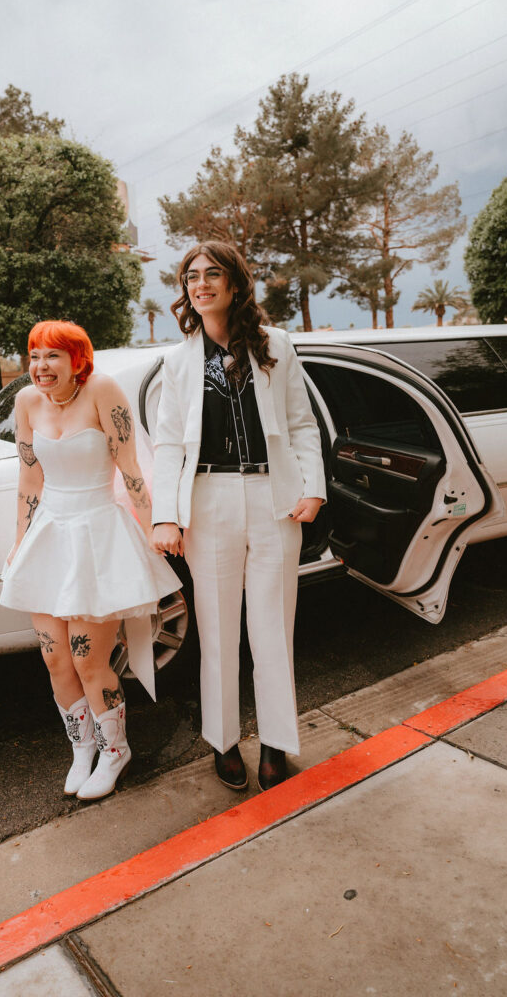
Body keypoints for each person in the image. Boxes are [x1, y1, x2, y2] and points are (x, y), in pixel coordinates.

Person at [150, 241, 325, 792]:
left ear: (234, 283)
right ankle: (223, 742)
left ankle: (275, 744)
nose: (200, 284)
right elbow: (169, 445)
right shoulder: (178, 360)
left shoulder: (276, 345)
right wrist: (166, 516)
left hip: (275, 499)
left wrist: (313, 488)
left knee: (273, 627)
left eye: (212, 274)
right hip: (208, 499)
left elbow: (302, 424)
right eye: (191, 277)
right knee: (219, 627)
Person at [0, 320, 181, 801]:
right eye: (34, 356)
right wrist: (20, 542)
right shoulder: (26, 402)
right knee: (54, 657)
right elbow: (29, 480)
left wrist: (153, 528)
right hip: (49, 537)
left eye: (52, 356)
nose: (40, 367)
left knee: (88, 658)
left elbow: (131, 470)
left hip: (97, 535)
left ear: (77, 360)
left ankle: (114, 750)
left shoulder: (102, 390)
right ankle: (82, 750)